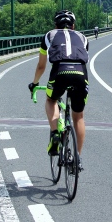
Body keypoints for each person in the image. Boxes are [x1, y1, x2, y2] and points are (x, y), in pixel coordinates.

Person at [29, 10, 89, 170]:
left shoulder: (49, 35)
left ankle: (55, 132)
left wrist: (34, 83)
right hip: (80, 74)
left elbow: (42, 66)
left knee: (51, 100)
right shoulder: (83, 37)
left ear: (55, 25)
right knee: (79, 117)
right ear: (73, 26)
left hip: (59, 72)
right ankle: (77, 158)